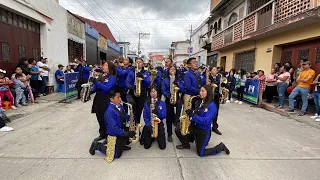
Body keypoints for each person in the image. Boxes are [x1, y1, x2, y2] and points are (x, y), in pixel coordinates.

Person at [175, 85, 230, 157]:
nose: (200, 93)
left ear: (208, 93)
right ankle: (186, 145)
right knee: (178, 129)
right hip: (194, 127)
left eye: (203, 91)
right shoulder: (198, 102)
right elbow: (195, 112)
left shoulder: (212, 106)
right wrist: (190, 112)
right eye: (200, 91)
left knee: (201, 153)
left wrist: (193, 116)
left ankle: (221, 147)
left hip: (203, 131)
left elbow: (205, 120)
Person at [89, 90, 134, 163]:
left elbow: (124, 116)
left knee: (130, 131)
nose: (120, 99)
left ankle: (122, 145)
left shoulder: (120, 106)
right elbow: (114, 129)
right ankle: (96, 145)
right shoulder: (109, 112)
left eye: (120, 97)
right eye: (118, 97)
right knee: (116, 155)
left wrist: (131, 118)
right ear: (111, 99)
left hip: (121, 128)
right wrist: (126, 133)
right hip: (114, 134)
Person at [91, 61, 117, 142]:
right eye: (104, 65)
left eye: (106, 65)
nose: (104, 66)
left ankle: (108, 136)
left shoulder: (112, 77)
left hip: (105, 99)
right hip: (98, 98)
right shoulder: (102, 75)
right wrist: (90, 90)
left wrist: (96, 82)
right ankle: (102, 134)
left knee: (106, 118)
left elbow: (107, 88)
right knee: (99, 117)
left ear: (110, 67)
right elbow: (96, 87)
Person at [125, 58, 151, 125]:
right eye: (137, 62)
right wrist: (131, 87)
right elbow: (127, 82)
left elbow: (148, 83)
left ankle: (137, 124)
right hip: (132, 92)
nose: (138, 63)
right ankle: (132, 122)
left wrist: (142, 78)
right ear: (134, 63)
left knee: (139, 110)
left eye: (140, 62)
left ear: (142, 64)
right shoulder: (131, 72)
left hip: (142, 93)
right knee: (133, 108)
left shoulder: (145, 72)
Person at [161, 66, 183, 142]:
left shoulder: (178, 79)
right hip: (168, 98)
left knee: (179, 103)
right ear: (168, 71)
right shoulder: (165, 79)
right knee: (168, 117)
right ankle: (169, 134)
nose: (172, 70)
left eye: (174, 69)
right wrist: (168, 95)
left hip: (176, 97)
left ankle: (177, 119)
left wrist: (178, 86)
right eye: (171, 69)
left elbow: (183, 89)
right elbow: (163, 89)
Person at [209, 67, 222, 135]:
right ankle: (208, 127)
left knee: (216, 112)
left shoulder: (218, 78)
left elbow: (220, 86)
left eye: (216, 69)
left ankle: (214, 126)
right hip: (210, 97)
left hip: (216, 97)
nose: (215, 71)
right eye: (214, 69)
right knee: (209, 112)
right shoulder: (208, 78)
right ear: (210, 71)